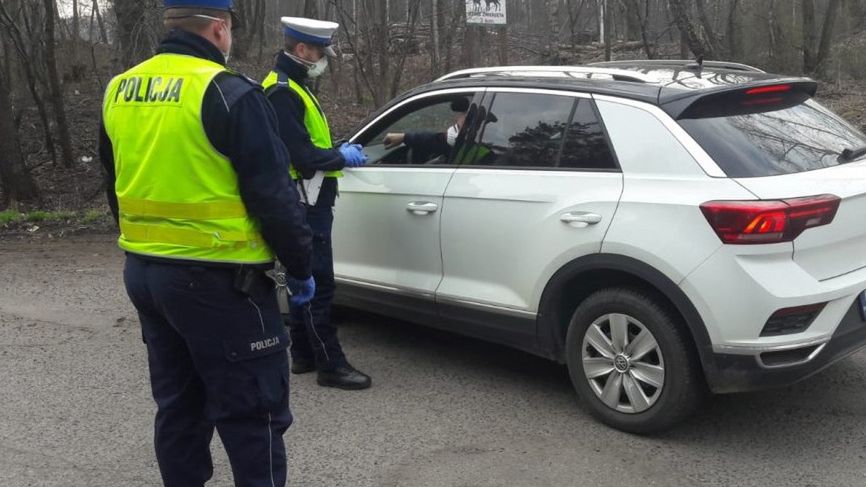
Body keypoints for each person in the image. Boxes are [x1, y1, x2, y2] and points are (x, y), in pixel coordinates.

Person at [98, 1, 314, 485]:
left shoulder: (119, 89)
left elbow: (113, 181)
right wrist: (300, 267)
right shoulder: (227, 91)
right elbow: (274, 196)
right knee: (253, 414)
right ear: (219, 28)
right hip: (221, 282)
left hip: (146, 273)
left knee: (180, 406)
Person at [262, 17, 372, 390]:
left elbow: (307, 143)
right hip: (305, 200)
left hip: (309, 196)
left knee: (303, 280)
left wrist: (335, 149)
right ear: (302, 50)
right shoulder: (283, 92)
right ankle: (331, 364)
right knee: (317, 283)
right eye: (321, 53)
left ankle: (304, 354)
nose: (324, 60)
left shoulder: (293, 86)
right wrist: (341, 157)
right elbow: (302, 155)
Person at [382, 97, 471, 162]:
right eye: (461, 114)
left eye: (465, 115)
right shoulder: (464, 145)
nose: (458, 120)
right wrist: (404, 137)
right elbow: (436, 140)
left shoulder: (472, 149)